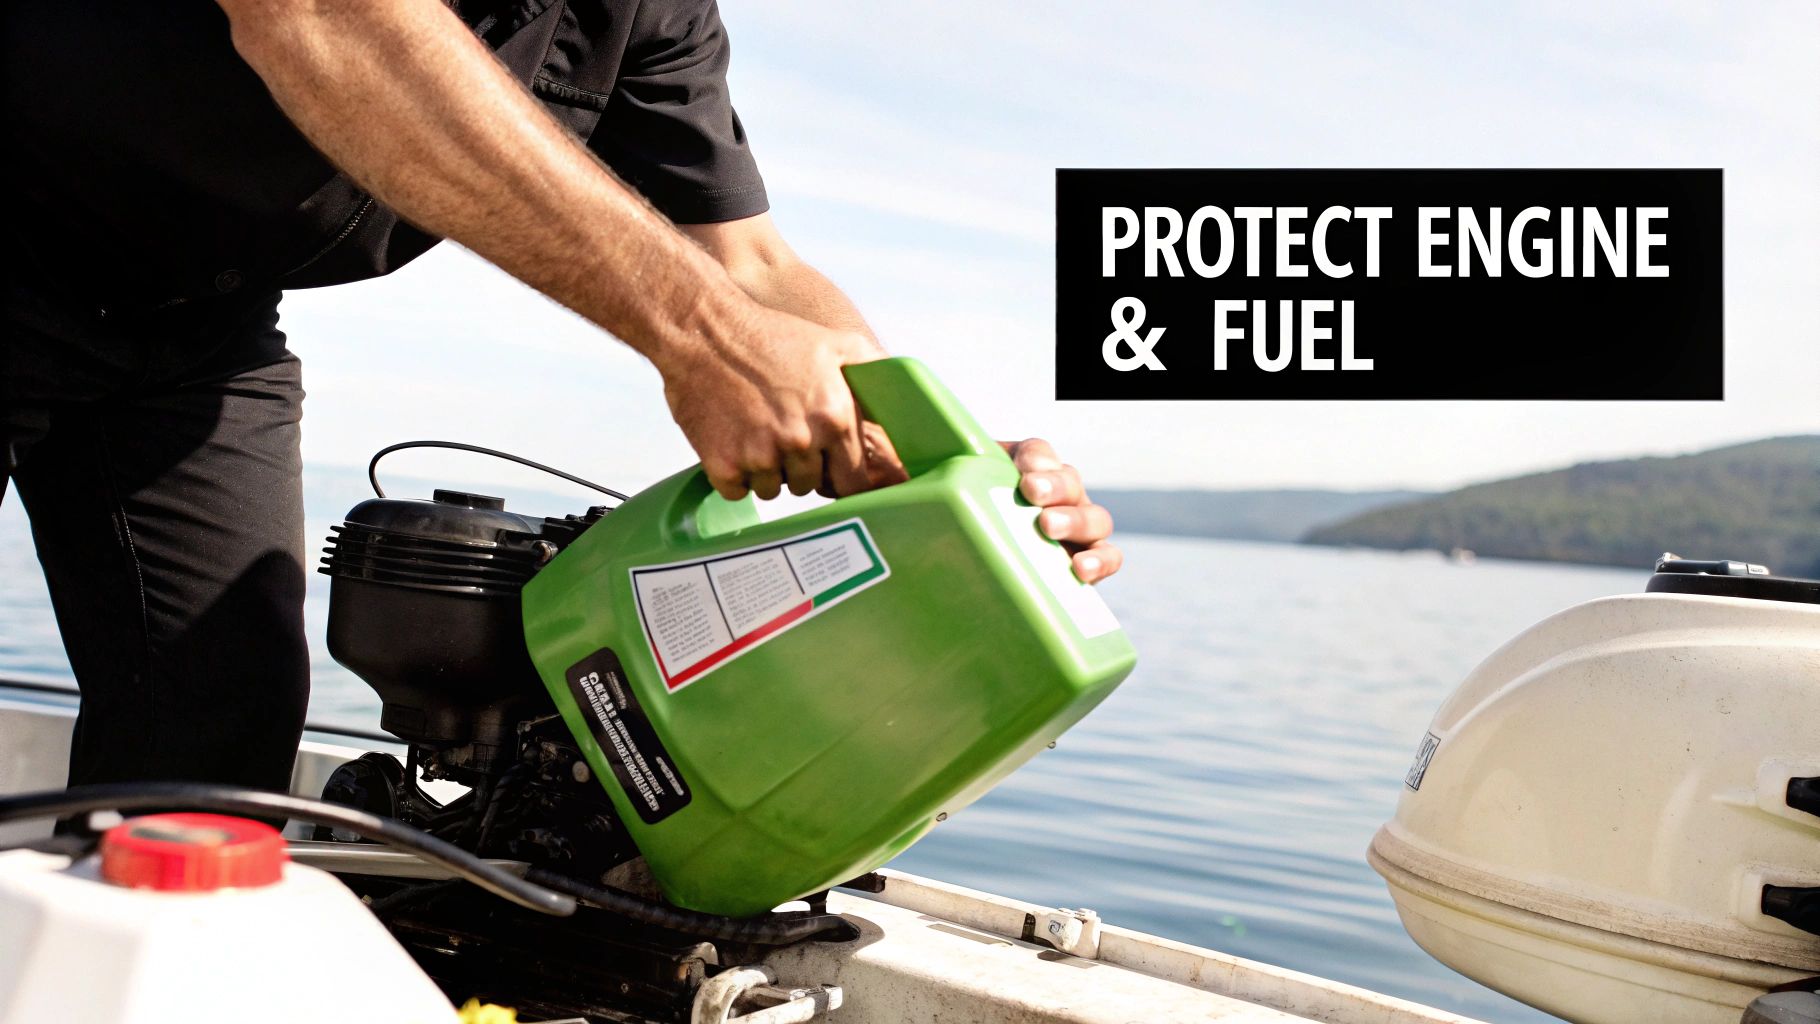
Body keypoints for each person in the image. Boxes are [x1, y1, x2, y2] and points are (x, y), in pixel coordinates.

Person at [0, 0, 1122, 795]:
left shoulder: (655, 14)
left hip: (197, 334)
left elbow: (754, 268)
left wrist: (957, 478)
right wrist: (698, 337)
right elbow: (319, 16)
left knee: (214, 735)